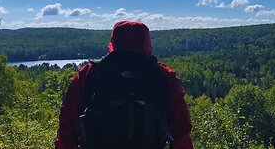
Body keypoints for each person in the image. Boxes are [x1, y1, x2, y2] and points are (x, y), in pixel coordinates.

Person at [55, 21, 193, 149]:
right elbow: (181, 133)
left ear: (113, 41)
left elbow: (67, 128)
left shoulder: (89, 73)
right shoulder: (163, 75)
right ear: (146, 41)